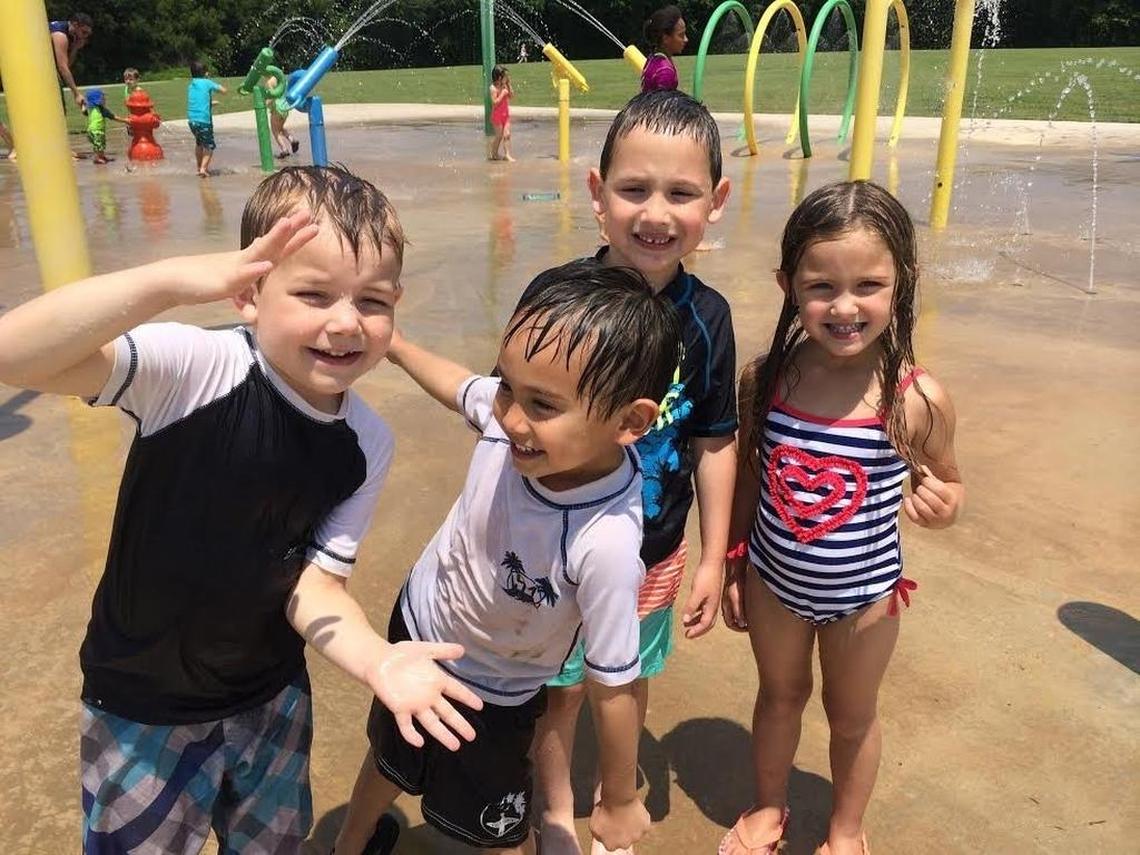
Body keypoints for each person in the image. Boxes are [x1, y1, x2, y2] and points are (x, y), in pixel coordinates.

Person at [0, 165, 484, 854]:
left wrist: (378, 660)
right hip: (141, 704)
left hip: (270, 698)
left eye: (372, 302)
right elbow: (13, 352)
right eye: (314, 293)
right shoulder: (193, 370)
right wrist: (168, 282)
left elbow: (315, 586)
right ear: (248, 293)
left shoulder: (367, 441)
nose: (345, 322)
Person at [334, 260, 683, 855]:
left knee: (495, 827)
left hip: (496, 689)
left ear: (630, 421)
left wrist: (620, 796)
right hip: (420, 627)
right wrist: (396, 346)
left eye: (542, 406)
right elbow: (457, 387)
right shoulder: (510, 420)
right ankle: (346, 845)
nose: (511, 419)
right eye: (507, 386)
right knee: (390, 759)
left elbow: (614, 682)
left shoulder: (606, 542)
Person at [717, 181, 965, 855]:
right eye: (822, 286)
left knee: (851, 717)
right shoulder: (767, 379)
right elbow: (747, 474)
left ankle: (847, 829)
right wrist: (736, 561)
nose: (845, 306)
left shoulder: (916, 399)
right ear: (787, 283)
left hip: (868, 599)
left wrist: (942, 503)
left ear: (902, 282)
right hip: (775, 583)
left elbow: (947, 480)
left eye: (869, 285)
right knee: (778, 695)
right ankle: (769, 807)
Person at [529, 89, 735, 855]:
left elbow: (716, 437)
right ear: (596, 193)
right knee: (558, 690)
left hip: (653, 549)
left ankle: (618, 793)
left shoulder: (706, 318)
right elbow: (510, 418)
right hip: (557, 545)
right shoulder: (560, 303)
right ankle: (555, 809)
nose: (656, 212)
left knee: (627, 675)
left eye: (681, 193)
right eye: (634, 189)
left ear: (715, 202)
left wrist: (715, 555)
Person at [187, 59, 226, 177]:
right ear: (205, 73)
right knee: (209, 146)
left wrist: (210, 103)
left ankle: (199, 167)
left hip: (192, 121)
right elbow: (224, 90)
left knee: (199, 144)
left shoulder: (191, 85)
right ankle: (203, 169)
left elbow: (197, 101)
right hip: (204, 121)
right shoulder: (207, 82)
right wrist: (209, 80)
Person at [50, 12, 93, 111]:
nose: (84, 37)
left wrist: (75, 48)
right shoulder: (60, 35)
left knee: (60, 109)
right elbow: (63, 68)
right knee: (57, 109)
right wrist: (76, 94)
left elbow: (67, 65)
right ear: (75, 25)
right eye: (83, 32)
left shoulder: (71, 36)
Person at [641, 6, 687, 93]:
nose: (686, 39)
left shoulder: (653, 57)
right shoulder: (665, 71)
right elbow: (662, 105)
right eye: (681, 35)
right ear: (665, 38)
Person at [84, 89, 125, 164]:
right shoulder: (101, 109)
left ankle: (101, 156)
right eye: (103, 98)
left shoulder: (90, 108)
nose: (105, 99)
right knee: (99, 145)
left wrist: (82, 105)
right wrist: (126, 121)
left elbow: (84, 112)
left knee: (100, 144)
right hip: (97, 130)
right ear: (97, 100)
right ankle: (97, 158)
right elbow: (113, 117)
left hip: (92, 130)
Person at [266, 70, 301, 159]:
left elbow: (271, 97)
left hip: (276, 109)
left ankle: (284, 149)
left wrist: (265, 103)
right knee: (280, 128)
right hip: (285, 108)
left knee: (275, 131)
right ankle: (292, 140)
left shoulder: (269, 82)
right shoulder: (282, 80)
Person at [489, 65, 515, 162]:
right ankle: (494, 153)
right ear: (499, 77)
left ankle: (507, 155)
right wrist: (502, 94)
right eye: (505, 76)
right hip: (497, 116)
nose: (507, 78)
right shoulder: (493, 88)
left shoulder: (505, 86)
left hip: (505, 115)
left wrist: (509, 85)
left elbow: (512, 96)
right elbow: (494, 103)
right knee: (499, 136)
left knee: (507, 134)